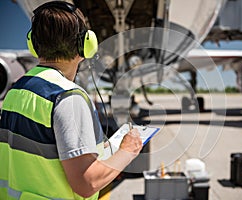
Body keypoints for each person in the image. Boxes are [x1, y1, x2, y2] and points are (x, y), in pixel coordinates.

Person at [0, 1, 142, 199]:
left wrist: (104, 148)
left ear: (33, 44)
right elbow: (86, 183)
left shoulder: (16, 91)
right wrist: (128, 151)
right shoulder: (67, 98)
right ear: (85, 46)